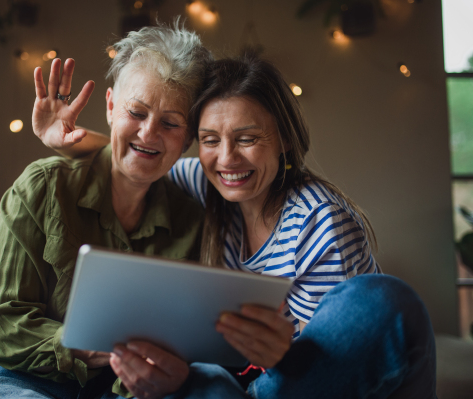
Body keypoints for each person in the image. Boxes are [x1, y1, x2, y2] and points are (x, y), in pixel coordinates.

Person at [39, 54, 438, 398]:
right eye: (210, 140)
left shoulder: (320, 224)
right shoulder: (207, 184)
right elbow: (143, 160)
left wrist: (280, 357)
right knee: (202, 378)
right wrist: (65, 139)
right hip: (241, 382)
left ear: (282, 139)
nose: (227, 159)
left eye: (247, 138)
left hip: (310, 382)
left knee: (377, 301)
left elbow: (328, 371)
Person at [0, 22, 263, 399]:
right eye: (136, 112)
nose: (148, 133)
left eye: (171, 123)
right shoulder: (42, 186)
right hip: (8, 372)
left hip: (115, 387)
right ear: (110, 107)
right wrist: (86, 344)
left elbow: (178, 344)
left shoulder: (192, 219)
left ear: (189, 138)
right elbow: (0, 322)